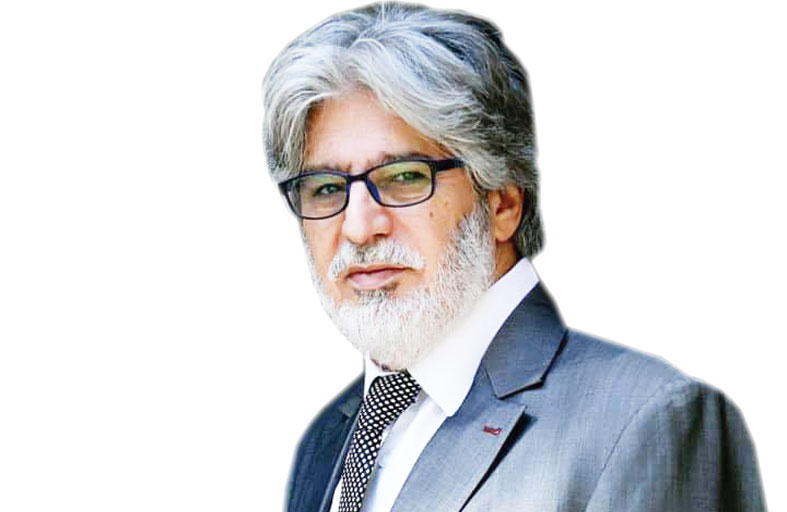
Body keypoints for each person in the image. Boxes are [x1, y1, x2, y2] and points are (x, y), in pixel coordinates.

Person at [262, 3, 765, 511]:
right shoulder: (330, 439)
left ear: (502, 202)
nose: (357, 227)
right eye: (326, 188)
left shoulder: (645, 421)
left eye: (405, 177)